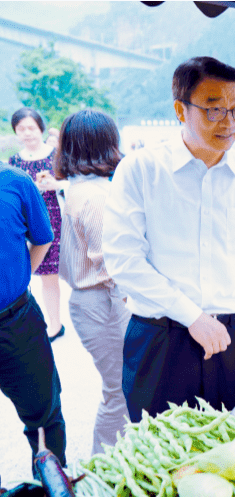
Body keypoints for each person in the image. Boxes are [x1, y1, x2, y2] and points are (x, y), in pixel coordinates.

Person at [103, 56, 235, 423]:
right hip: (162, 340)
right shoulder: (142, 170)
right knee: (160, 459)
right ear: (181, 110)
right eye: (214, 110)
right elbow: (123, 260)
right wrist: (192, 316)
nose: (229, 123)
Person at [56, 109, 130, 455]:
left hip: (91, 300)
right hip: (103, 299)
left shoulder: (80, 186)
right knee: (119, 389)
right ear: (106, 144)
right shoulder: (97, 195)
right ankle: (104, 466)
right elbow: (114, 264)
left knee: (118, 387)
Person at [0, 161, 67, 468]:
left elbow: (42, 238)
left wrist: (17, 278)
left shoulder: (15, 181)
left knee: (44, 418)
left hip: (16, 322)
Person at [8, 107, 65, 342]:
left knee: (51, 275)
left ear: (41, 128)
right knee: (35, 274)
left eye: (31, 127)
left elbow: (73, 183)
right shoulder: (14, 161)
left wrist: (56, 185)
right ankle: (46, 322)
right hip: (25, 224)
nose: (27, 133)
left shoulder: (57, 155)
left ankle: (55, 323)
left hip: (55, 220)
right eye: (21, 129)